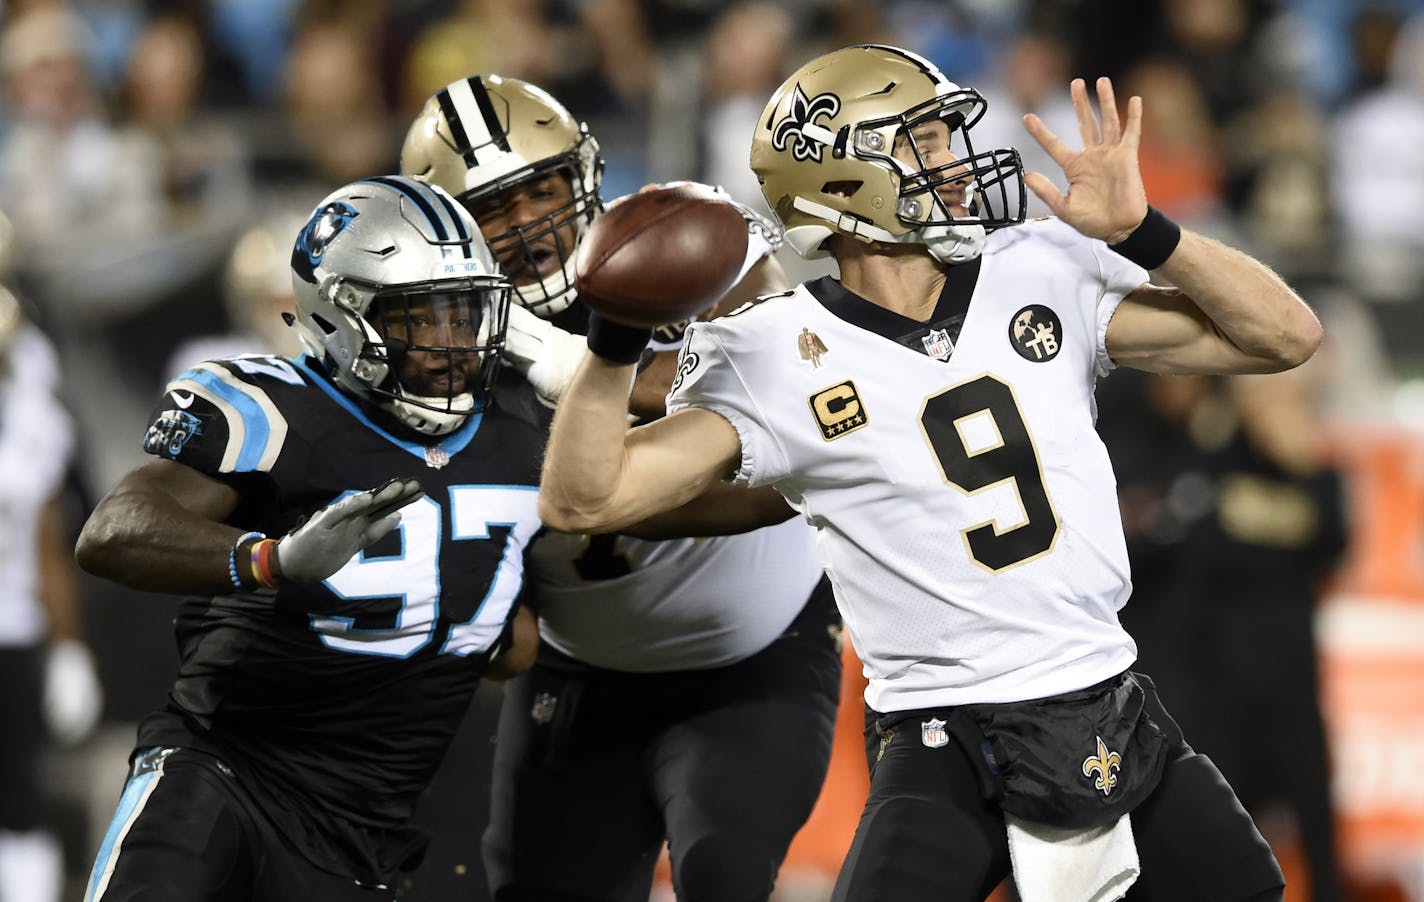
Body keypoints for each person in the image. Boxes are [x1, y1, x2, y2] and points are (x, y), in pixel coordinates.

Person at [536, 44, 1324, 902]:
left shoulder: (1040, 266)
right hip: (944, 735)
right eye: (926, 141)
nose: (954, 161)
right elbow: (586, 498)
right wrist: (613, 341)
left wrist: (1147, 234)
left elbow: (1284, 337)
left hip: (1109, 700)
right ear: (843, 182)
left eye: (948, 136)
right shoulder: (773, 351)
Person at [400, 74, 842, 902]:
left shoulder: (684, 230)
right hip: (578, 675)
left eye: (541, 190)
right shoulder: (434, 352)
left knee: (724, 875)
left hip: (751, 655)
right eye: (493, 209)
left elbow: (793, 388)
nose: (527, 226)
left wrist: (591, 367)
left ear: (586, 174)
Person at [74, 175, 547, 902]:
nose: (453, 342)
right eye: (422, 319)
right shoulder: (279, 411)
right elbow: (111, 532)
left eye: (465, 312)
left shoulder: (524, 431)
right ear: (342, 318)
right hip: (225, 771)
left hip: (362, 829)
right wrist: (269, 560)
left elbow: (517, 641)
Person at [0, 286, 102, 902]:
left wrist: (68, 647)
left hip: (11, 625)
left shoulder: (29, 422)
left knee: (17, 794)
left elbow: (47, 538)